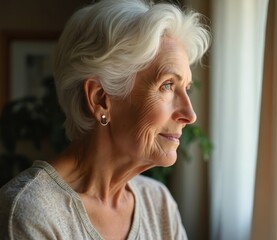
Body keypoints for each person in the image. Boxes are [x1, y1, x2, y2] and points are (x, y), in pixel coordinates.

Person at [0, 0, 211, 239]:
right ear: (100, 99)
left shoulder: (158, 202)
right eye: (168, 85)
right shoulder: (31, 212)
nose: (190, 115)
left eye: (186, 87)